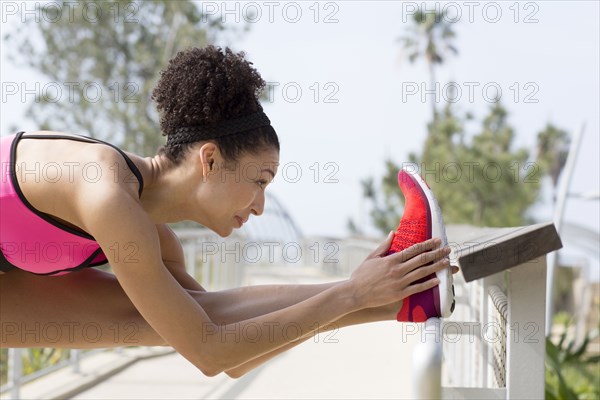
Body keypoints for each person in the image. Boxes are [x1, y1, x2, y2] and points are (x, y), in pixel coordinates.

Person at [0, 45, 453, 378]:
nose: (259, 207)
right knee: (152, 322)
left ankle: (407, 299)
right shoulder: (105, 193)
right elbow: (210, 352)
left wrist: (364, 286)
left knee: (167, 320)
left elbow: (229, 344)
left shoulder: (155, 238)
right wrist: (351, 295)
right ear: (210, 160)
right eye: (259, 181)